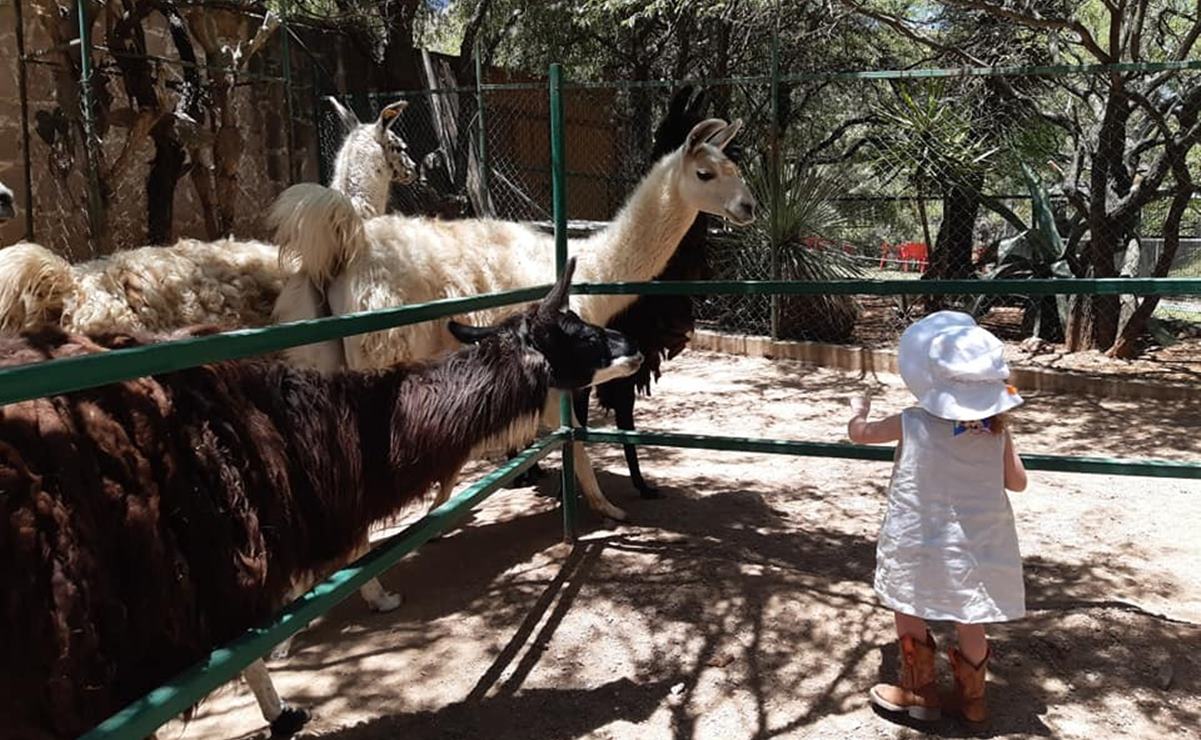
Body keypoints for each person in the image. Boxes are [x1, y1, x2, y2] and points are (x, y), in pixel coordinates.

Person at [847, 311, 1029, 725]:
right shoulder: (995, 430)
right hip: (979, 540)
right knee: (970, 613)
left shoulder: (912, 421)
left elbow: (862, 434)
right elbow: (1017, 482)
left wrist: (858, 410)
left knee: (909, 599)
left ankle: (918, 691)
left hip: (919, 533)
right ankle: (973, 700)